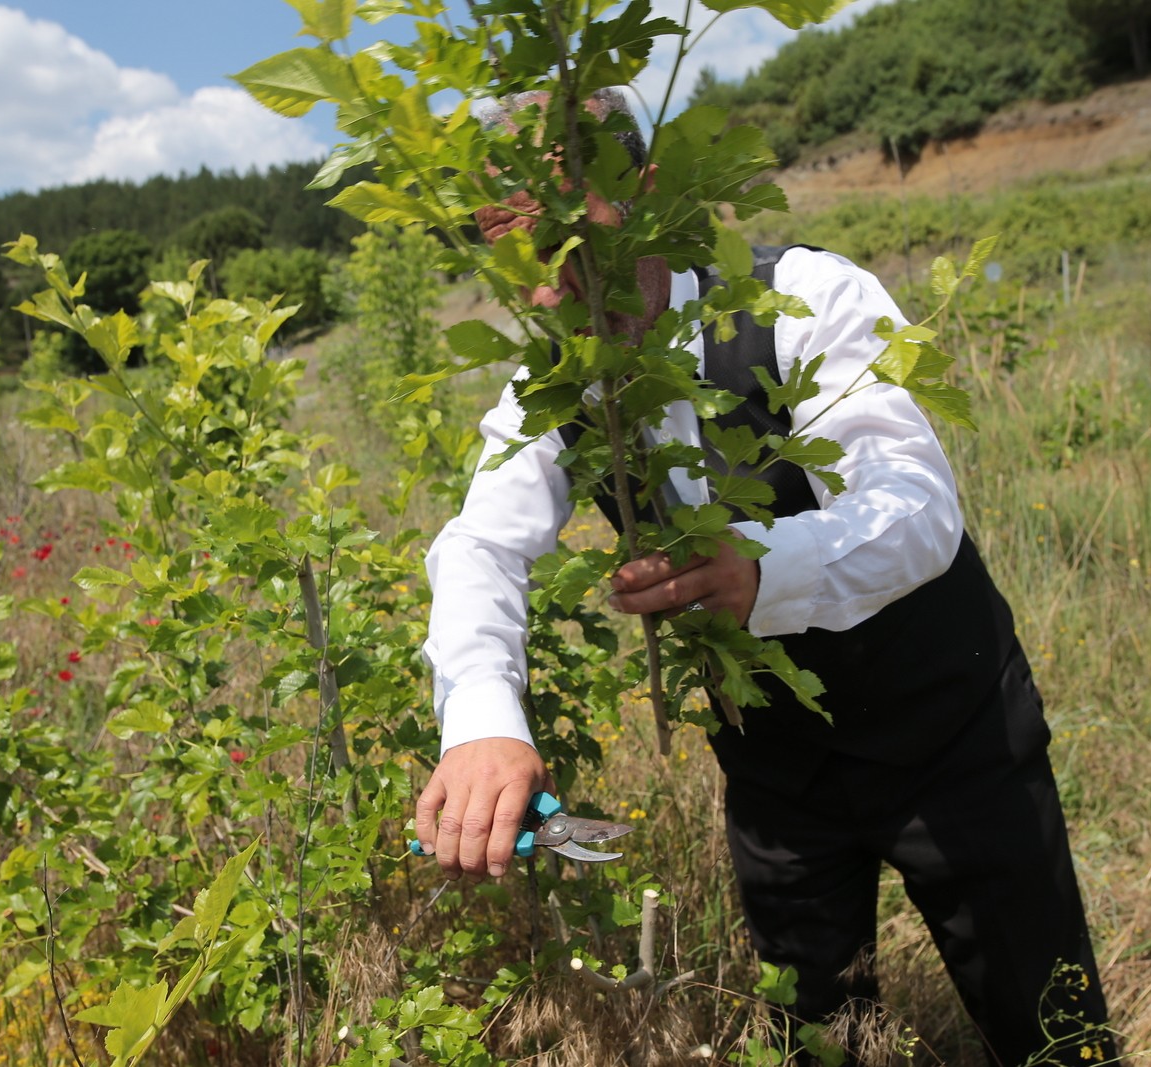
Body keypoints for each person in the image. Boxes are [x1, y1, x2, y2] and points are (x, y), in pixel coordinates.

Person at [412, 88, 1112, 1065]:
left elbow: (915, 504)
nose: (541, 288)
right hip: (777, 772)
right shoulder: (554, 381)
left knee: (1052, 1034)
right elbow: (479, 542)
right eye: (510, 250)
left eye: (566, 235)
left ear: (644, 192)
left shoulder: (801, 299)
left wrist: (764, 565)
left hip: (952, 738)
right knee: (818, 1041)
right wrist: (481, 715)